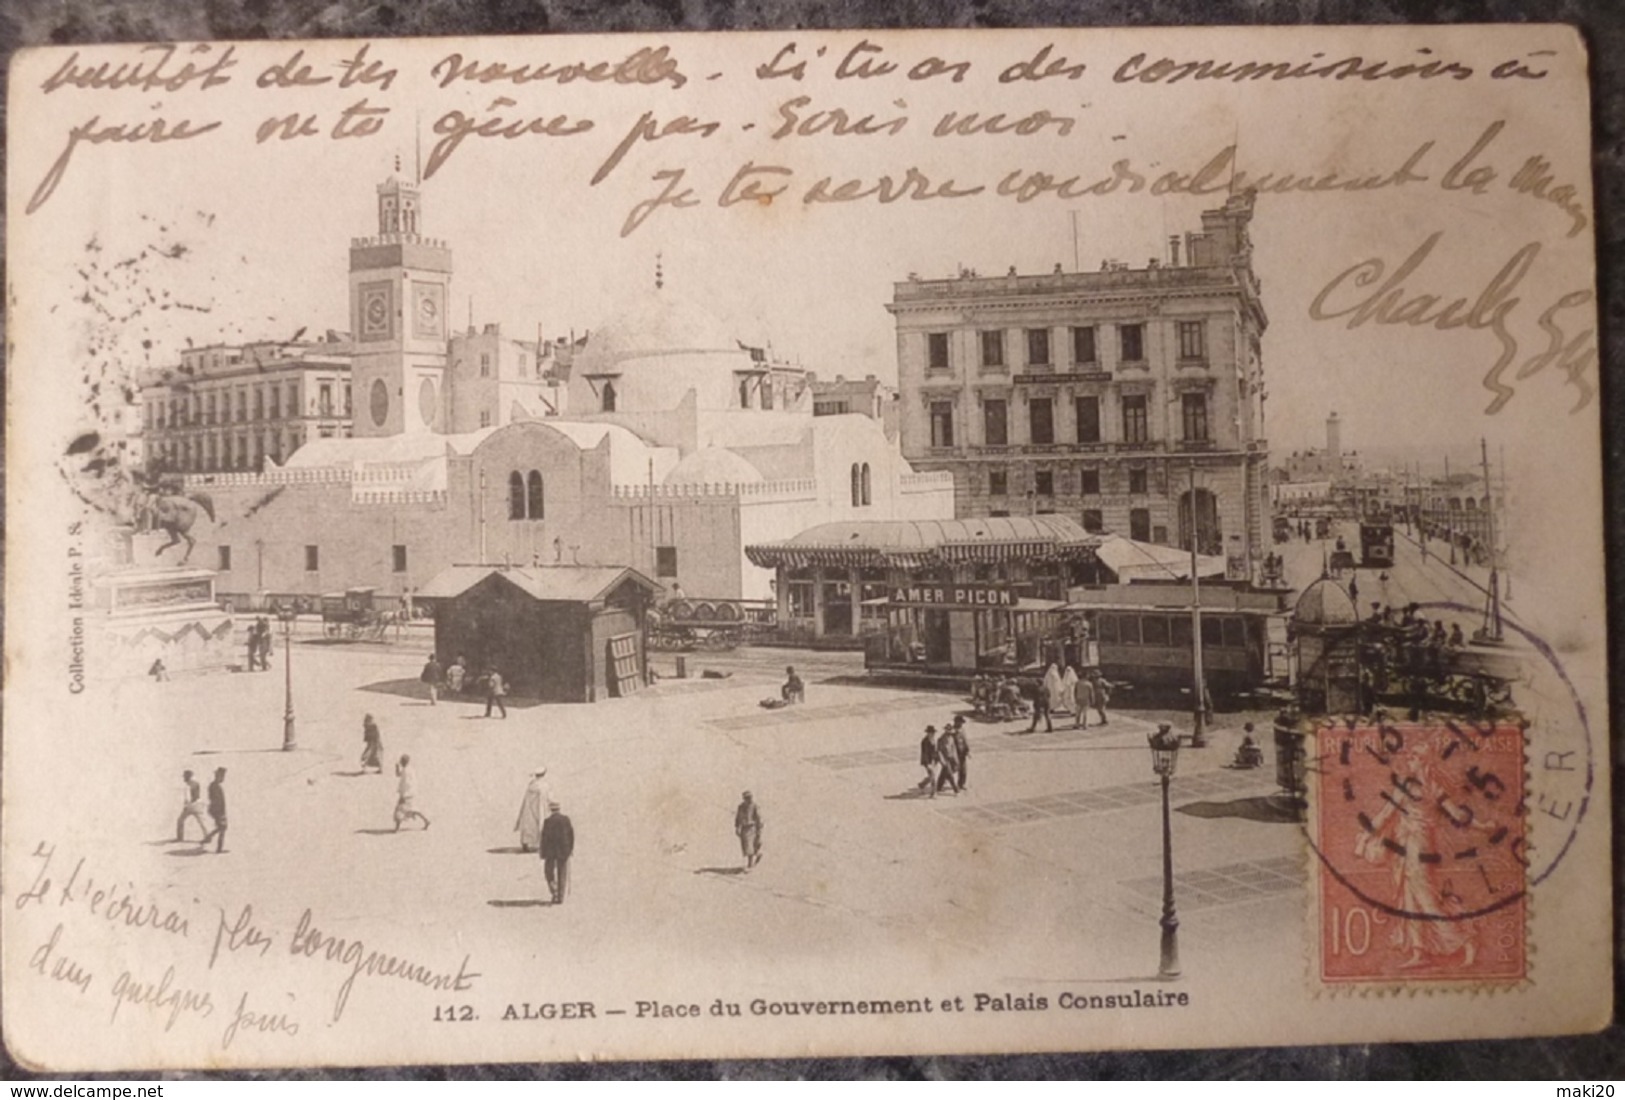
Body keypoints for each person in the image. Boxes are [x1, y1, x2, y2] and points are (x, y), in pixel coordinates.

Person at [540, 801, 574, 903]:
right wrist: (570, 849)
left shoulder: (547, 821)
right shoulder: (566, 820)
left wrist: (542, 852)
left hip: (550, 852)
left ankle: (554, 890)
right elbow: (571, 836)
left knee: (548, 872)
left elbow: (544, 838)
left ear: (551, 810)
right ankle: (561, 897)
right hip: (564, 851)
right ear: (559, 809)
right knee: (562, 873)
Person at [515, 768, 549, 852]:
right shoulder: (545, 785)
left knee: (529, 825)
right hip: (540, 808)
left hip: (529, 808)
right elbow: (547, 798)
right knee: (540, 824)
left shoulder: (531, 785)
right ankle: (541, 845)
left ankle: (525, 844)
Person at [393, 754, 430, 831]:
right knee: (414, 809)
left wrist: (402, 794)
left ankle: (397, 828)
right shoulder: (410, 769)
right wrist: (397, 768)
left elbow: (405, 783)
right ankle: (426, 820)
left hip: (406, 794)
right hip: (412, 793)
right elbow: (399, 775)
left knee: (399, 811)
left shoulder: (405, 771)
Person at [199, 768, 228, 854]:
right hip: (218, 811)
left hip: (215, 810)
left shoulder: (213, 785)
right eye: (222, 776)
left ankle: (208, 838)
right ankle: (219, 849)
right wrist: (220, 813)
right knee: (223, 828)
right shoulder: (216, 787)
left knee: (221, 827)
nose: (223, 778)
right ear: (218, 776)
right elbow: (216, 801)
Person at [175, 769, 207, 842]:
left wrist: (186, 806)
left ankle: (180, 838)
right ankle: (207, 836)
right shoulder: (196, 783)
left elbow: (188, 798)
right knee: (202, 822)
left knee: (180, 820)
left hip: (191, 806)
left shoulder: (187, 786)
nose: (184, 778)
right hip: (198, 804)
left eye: (184, 777)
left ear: (187, 777)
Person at [734, 791, 763, 870]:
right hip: (744, 828)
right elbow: (737, 818)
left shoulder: (755, 806)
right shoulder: (740, 807)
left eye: (750, 797)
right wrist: (737, 827)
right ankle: (757, 854)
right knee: (746, 846)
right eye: (747, 798)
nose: (749, 799)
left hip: (752, 828)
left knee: (749, 846)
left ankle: (750, 865)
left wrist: (759, 829)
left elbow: (759, 818)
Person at [934, 725, 961, 795]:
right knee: (950, 774)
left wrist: (956, 759)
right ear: (945, 730)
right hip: (945, 759)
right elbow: (939, 751)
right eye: (947, 730)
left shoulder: (951, 738)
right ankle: (956, 789)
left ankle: (938, 787)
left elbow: (954, 749)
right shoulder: (940, 740)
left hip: (951, 758)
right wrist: (942, 761)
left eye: (950, 730)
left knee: (944, 773)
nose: (949, 731)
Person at [950, 717, 971, 790]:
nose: (961, 724)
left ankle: (961, 784)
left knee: (963, 770)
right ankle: (941, 782)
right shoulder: (952, 731)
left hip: (962, 753)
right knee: (951, 770)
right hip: (955, 753)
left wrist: (968, 750)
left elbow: (965, 740)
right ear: (956, 722)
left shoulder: (962, 730)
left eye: (962, 722)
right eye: (960, 722)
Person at [918, 726, 940, 797]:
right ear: (928, 733)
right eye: (931, 732)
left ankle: (922, 784)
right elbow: (925, 753)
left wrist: (936, 759)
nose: (933, 734)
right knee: (933, 776)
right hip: (927, 761)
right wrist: (927, 764)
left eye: (933, 732)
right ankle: (933, 793)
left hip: (933, 760)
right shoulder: (925, 741)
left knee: (931, 776)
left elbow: (935, 751)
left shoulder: (933, 740)